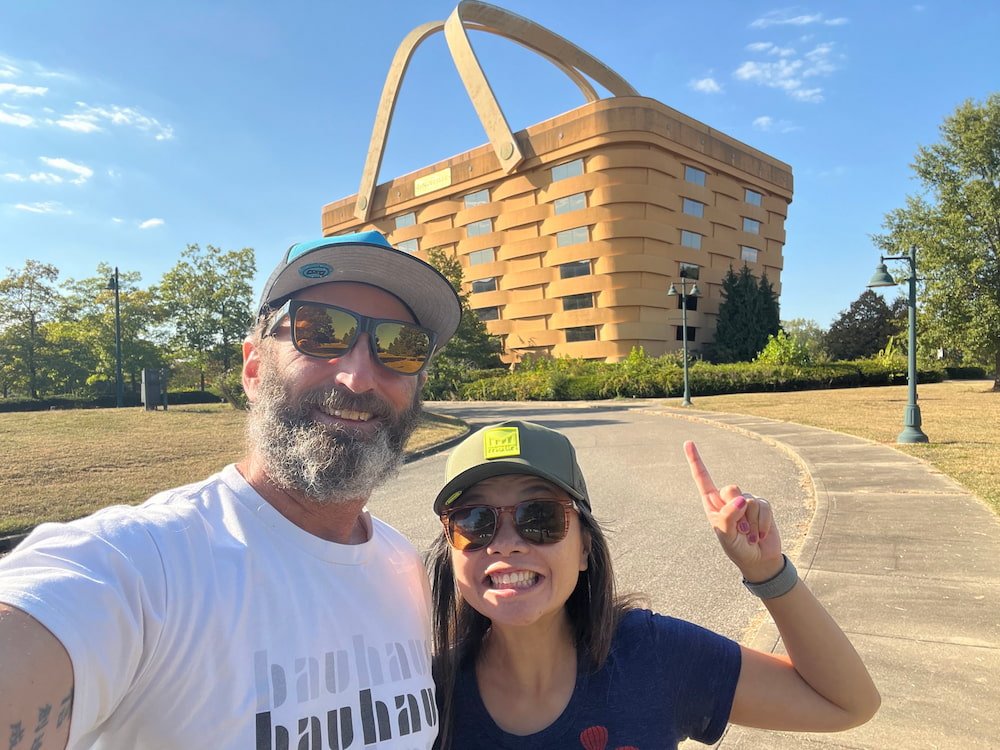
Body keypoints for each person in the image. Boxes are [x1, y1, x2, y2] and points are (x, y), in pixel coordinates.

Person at [0, 230, 461, 749]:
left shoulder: (402, 569)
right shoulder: (146, 565)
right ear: (255, 369)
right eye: (321, 331)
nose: (358, 378)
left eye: (400, 347)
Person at [427, 420, 880, 749]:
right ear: (451, 548)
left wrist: (768, 572)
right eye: (474, 521)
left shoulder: (652, 655)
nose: (506, 545)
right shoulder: (427, 696)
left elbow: (847, 703)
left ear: (585, 547)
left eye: (540, 517)